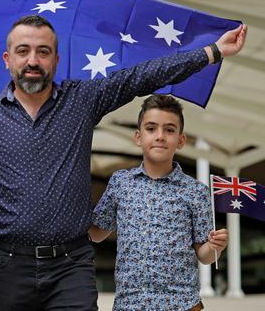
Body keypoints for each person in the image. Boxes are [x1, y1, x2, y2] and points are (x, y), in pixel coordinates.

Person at [0, 15, 246, 310]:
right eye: (23, 51)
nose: (33, 60)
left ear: (56, 59)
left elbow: (140, 77)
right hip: (9, 266)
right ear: (7, 59)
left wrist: (211, 52)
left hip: (71, 266)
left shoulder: (81, 100)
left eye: (42, 52)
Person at [89, 94, 229, 310]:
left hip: (182, 304)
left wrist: (215, 247)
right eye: (151, 128)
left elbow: (205, 256)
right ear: (138, 137)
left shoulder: (196, 191)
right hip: (130, 304)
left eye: (170, 130)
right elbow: (97, 233)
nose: (160, 136)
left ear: (181, 140)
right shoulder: (121, 183)